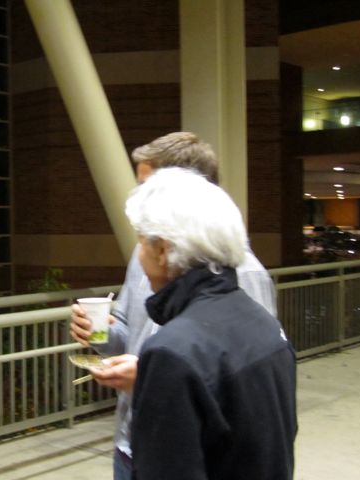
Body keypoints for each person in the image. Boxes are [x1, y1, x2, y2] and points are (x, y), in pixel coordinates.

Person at [69, 131, 277, 479]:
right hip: (132, 441)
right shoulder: (145, 254)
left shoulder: (246, 274)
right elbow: (124, 331)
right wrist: (100, 333)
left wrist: (158, 377)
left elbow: (252, 392)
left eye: (148, 188)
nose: (138, 200)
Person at [125, 167, 297, 479]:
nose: (138, 256)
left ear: (162, 249)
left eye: (140, 242)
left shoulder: (172, 352)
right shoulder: (265, 326)